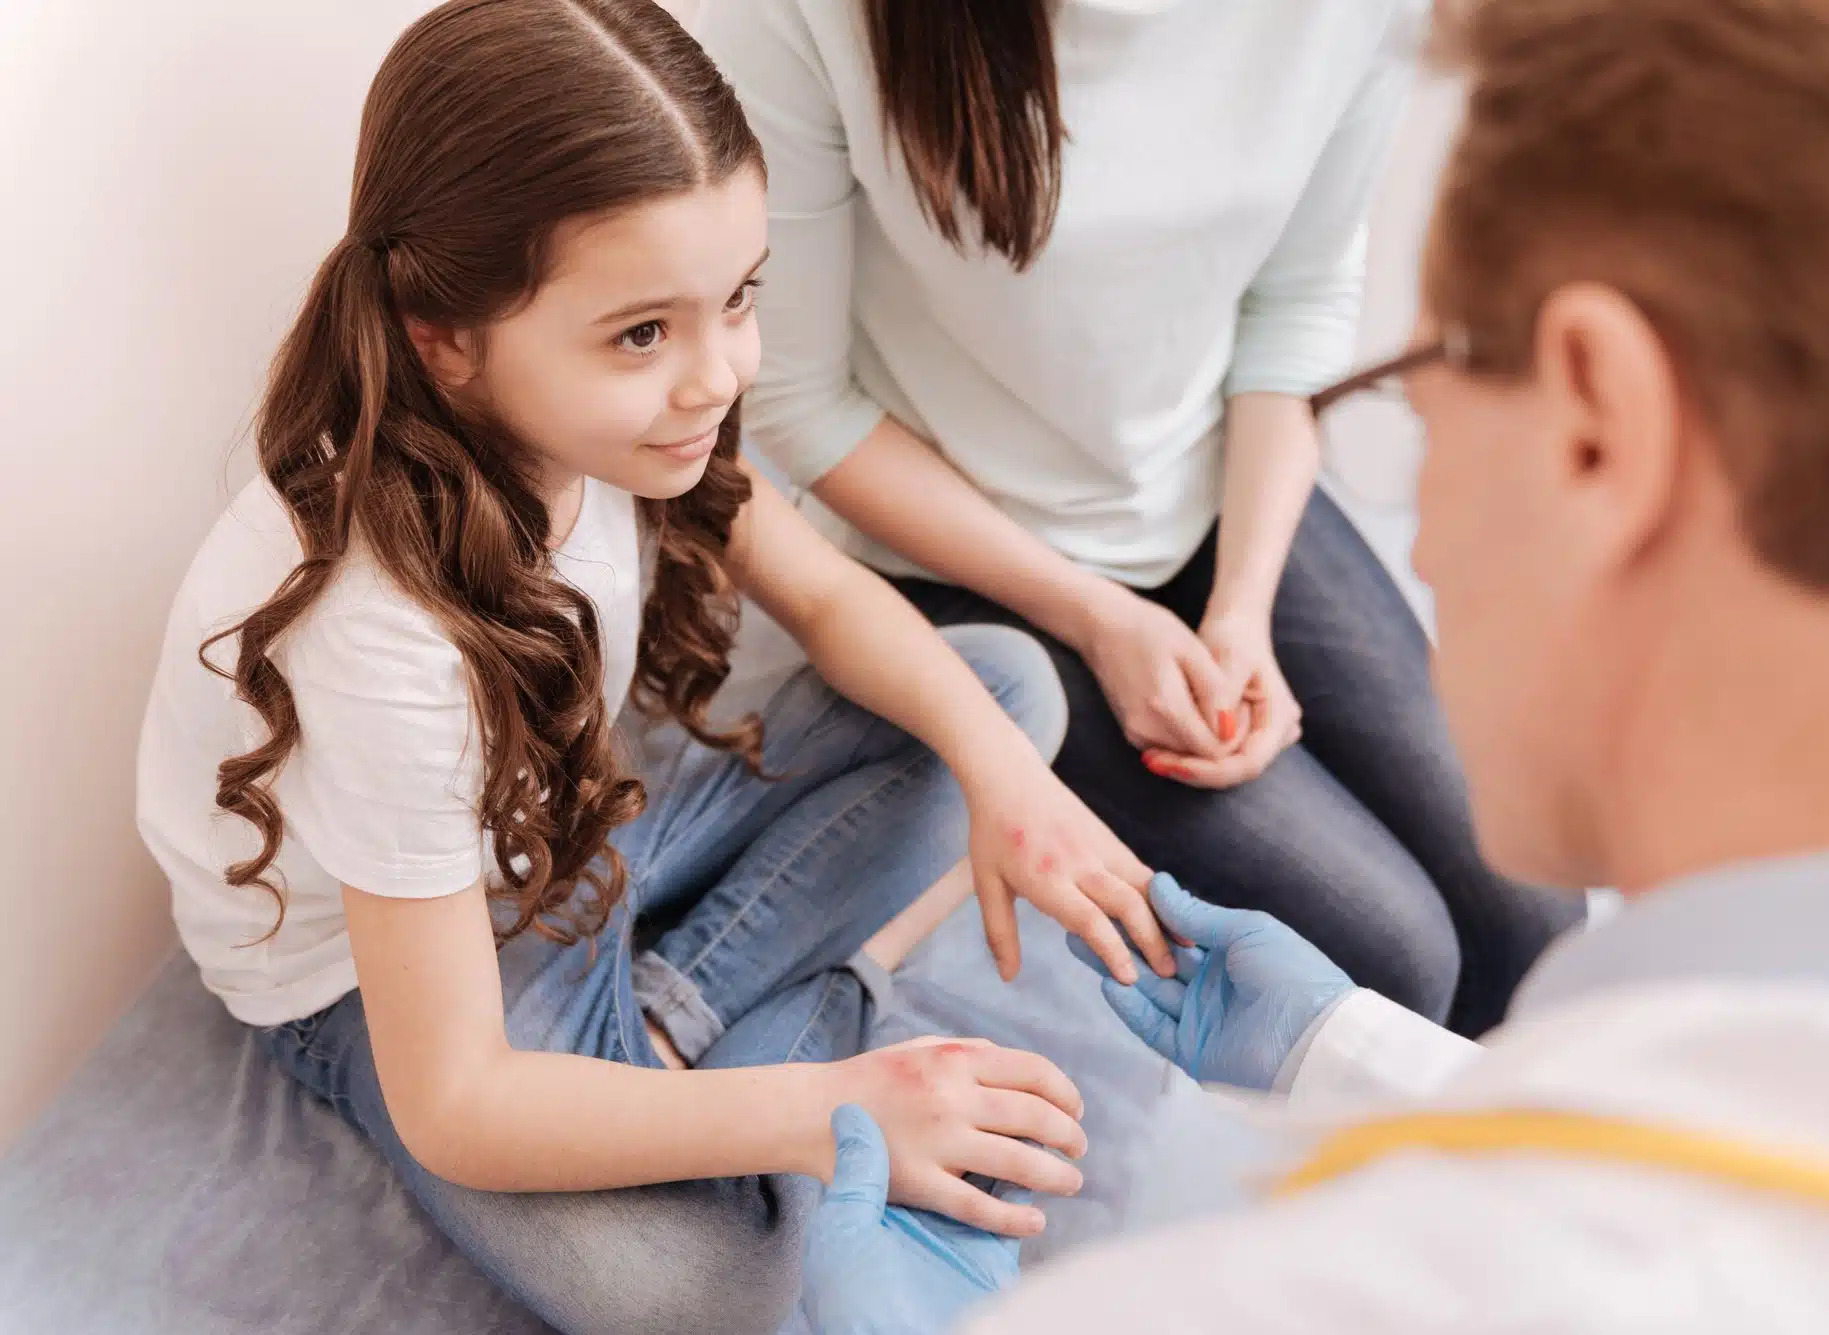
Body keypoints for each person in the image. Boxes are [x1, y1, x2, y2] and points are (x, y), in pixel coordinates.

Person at [797, 0, 1829, 1327]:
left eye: (1413, 393)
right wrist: (1337, 1044)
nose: (1415, 528)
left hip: (1206, 503)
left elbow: (1297, 304)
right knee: (1417, 936)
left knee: (1502, 914)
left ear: (1600, 424)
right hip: (978, 553)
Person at [132, 4, 1184, 1332]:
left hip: (559, 844)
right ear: (442, 335)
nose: (719, 375)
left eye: (739, 298)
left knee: (1003, 693)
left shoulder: (632, 429)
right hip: (381, 974)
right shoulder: (379, 629)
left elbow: (832, 595)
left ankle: (674, 1009)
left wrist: (1004, 784)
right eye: (643, 334)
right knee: (708, 1287)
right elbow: (455, 1102)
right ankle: (782, 1015)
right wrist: (835, 1099)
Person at [698, 0, 1578, 1035]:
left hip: (1207, 482)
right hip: (951, 546)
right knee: (1390, 957)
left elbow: (1295, 303)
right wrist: (1095, 619)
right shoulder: (801, 19)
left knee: (1533, 906)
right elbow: (803, 404)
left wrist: (1243, 607)